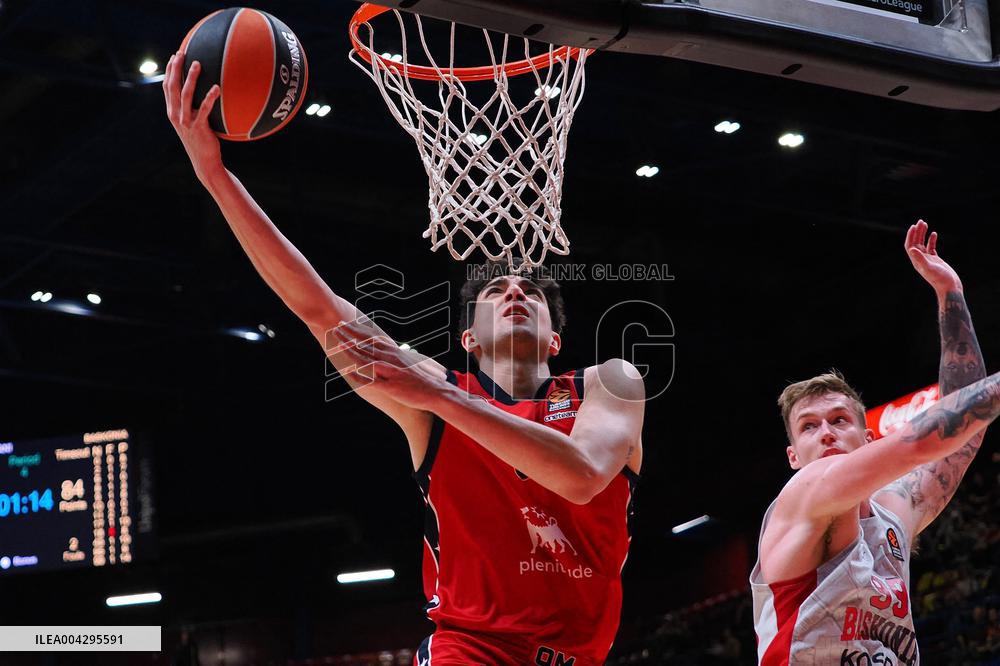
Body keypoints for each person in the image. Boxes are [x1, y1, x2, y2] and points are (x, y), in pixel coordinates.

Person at [163, 53, 644, 666]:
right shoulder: (433, 395)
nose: (517, 292)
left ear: (555, 341)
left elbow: (580, 476)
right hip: (468, 647)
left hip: (580, 653)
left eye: (532, 294)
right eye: (496, 293)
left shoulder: (608, 381)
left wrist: (441, 396)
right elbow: (318, 308)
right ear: (469, 340)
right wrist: (213, 176)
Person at [751, 220, 991, 665]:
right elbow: (928, 440)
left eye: (839, 420)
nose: (826, 432)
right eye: (808, 427)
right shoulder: (805, 497)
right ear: (793, 458)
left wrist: (950, 292)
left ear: (867, 438)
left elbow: (964, 437)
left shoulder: (892, 514)